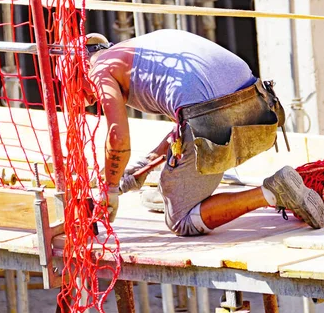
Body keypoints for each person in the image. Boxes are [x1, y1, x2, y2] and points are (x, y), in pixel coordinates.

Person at [81, 29, 324, 236]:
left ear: (77, 69)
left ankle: (272, 191)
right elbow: (185, 122)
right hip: (258, 104)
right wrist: (144, 166)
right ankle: (178, 191)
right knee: (166, 191)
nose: (84, 100)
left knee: (180, 220)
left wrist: (110, 188)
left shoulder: (101, 69)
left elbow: (118, 137)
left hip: (215, 122)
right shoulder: (143, 48)